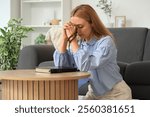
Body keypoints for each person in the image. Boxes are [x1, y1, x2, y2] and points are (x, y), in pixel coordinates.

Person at [53, 4, 132, 100]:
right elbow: (62, 68)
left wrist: (73, 41)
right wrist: (64, 38)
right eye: (74, 27)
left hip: (116, 94)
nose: (77, 31)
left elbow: (84, 65)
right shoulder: (80, 44)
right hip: (94, 94)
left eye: (80, 26)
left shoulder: (106, 42)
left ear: (92, 24)